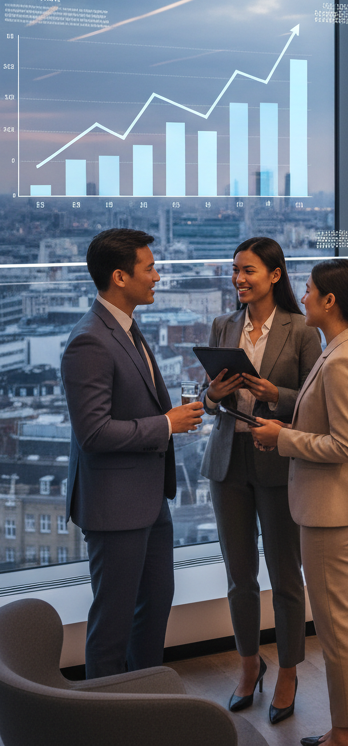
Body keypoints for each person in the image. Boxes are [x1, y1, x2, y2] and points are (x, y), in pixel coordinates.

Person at [252, 259, 348, 746]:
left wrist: (283, 437)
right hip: (332, 508)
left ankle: (346, 734)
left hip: (330, 512)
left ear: (330, 301)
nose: (301, 296)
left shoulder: (343, 358)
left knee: (336, 627)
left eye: (307, 290)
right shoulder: (342, 350)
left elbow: (344, 446)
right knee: (342, 622)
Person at [62, 228, 204, 678]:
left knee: (154, 606)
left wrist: (190, 404)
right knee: (113, 624)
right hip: (115, 506)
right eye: (150, 268)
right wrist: (166, 424)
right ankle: (105, 718)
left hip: (147, 498)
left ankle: (143, 701)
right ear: (120, 277)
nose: (157, 276)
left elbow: (136, 401)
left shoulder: (126, 327)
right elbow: (93, 432)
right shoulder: (89, 340)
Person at [200, 237, 322, 721]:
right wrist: (212, 394)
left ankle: (289, 671)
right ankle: (250, 665)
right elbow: (210, 404)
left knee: (286, 576)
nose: (239, 279)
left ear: (275, 275)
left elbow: (316, 402)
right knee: (239, 577)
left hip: (276, 461)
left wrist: (278, 394)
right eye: (235, 270)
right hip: (227, 463)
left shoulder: (301, 330)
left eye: (248, 270)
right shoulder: (222, 325)